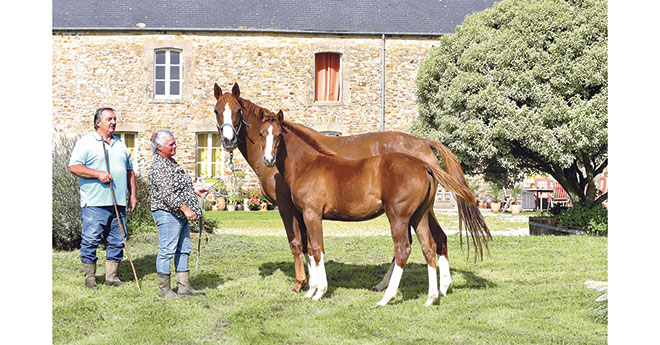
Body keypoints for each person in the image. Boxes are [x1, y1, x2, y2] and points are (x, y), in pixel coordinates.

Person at [68, 107, 138, 289]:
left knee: (117, 240)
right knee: (91, 240)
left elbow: (130, 171)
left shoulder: (120, 144)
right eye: (109, 119)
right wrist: (98, 174)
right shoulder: (86, 142)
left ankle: (111, 277)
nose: (113, 122)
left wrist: (133, 196)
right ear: (98, 122)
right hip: (94, 203)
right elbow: (74, 167)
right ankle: (90, 278)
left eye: (115, 118)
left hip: (118, 202)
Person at [149, 129, 207, 297]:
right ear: (159, 147)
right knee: (167, 250)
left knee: (184, 249)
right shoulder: (159, 164)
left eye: (175, 142)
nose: (175, 146)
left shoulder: (171, 161)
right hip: (168, 212)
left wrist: (195, 190)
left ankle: (184, 287)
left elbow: (179, 187)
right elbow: (168, 194)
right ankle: (164, 290)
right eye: (171, 144)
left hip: (178, 214)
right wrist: (186, 209)